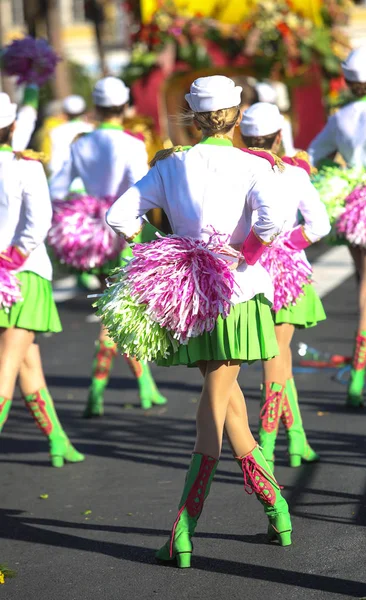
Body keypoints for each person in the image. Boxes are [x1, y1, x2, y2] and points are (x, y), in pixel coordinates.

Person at [105, 75, 292, 568]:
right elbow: (275, 222)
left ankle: (183, 531)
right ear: (236, 113)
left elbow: (120, 217)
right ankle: (276, 508)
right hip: (237, 294)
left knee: (213, 407)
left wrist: (159, 252)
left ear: (194, 114)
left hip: (189, 297)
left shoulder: (171, 164)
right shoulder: (255, 164)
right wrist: (243, 255)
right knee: (225, 407)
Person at [49, 77, 167, 416]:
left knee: (117, 309)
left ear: (97, 108)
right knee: (117, 315)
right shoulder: (131, 143)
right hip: (125, 232)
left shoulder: (80, 143)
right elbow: (142, 189)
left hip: (89, 234)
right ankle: (97, 389)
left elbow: (58, 187)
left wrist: (77, 211)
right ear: (124, 106)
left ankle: (146, 386)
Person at [240, 102, 330, 468]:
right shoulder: (295, 174)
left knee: (278, 356)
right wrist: (288, 243)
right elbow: (319, 225)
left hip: (246, 271)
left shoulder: (236, 169)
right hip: (288, 274)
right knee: (277, 356)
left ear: (243, 137)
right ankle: (270, 443)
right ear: (279, 137)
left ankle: (296, 439)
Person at [308, 47, 366, 407]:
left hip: (350, 203)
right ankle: (357, 381)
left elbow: (313, 155)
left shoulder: (340, 118)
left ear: (347, 82)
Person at [0, 93, 85, 467]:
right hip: (22, 275)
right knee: (7, 366)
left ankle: (58, 442)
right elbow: (38, 221)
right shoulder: (26, 166)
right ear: (13, 127)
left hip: (10, 274)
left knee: (27, 363)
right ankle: (58, 442)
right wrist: (13, 258)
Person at [48, 95, 93, 177]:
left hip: (60, 178)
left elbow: (54, 161)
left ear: (65, 112)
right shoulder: (91, 129)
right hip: (86, 179)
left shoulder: (56, 131)